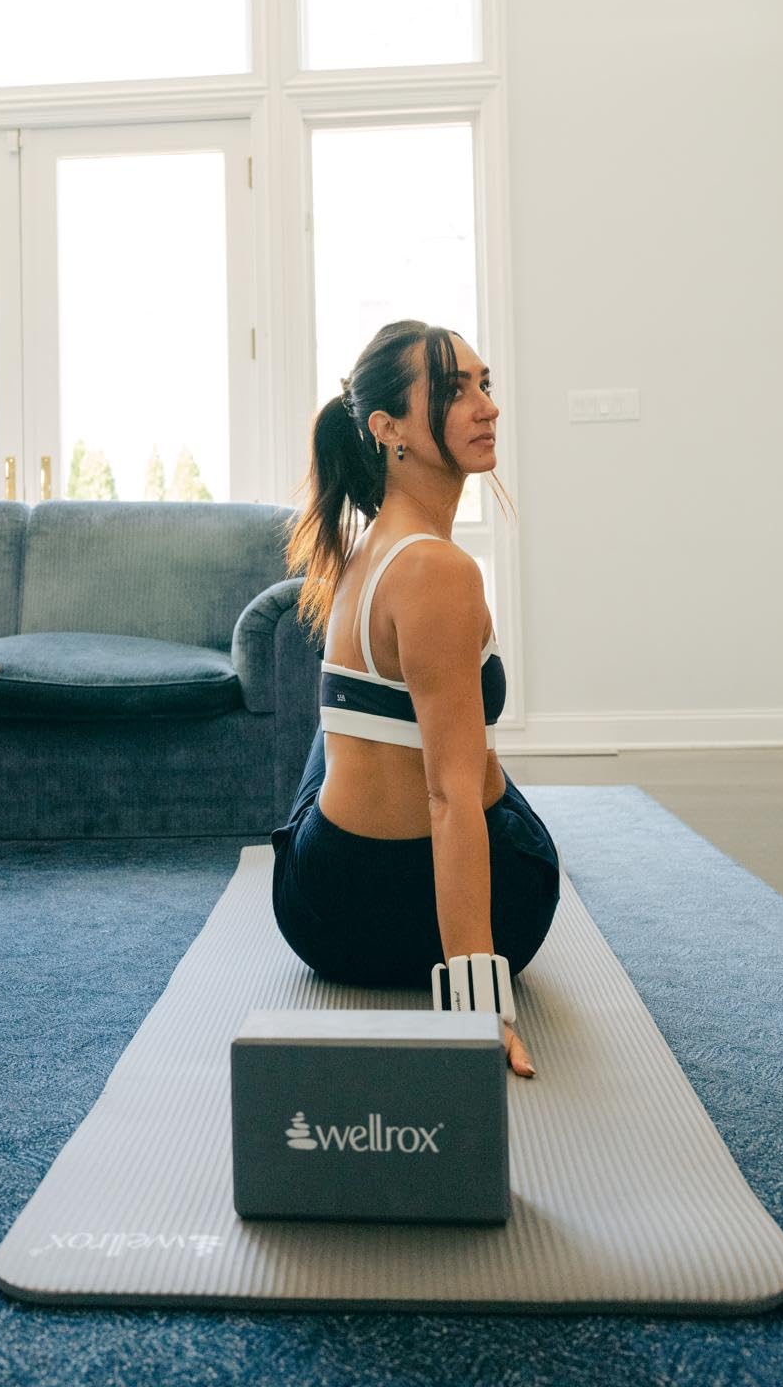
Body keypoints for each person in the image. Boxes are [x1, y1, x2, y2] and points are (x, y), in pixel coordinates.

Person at [270, 320, 560, 1078]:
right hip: (443, 922)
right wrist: (479, 1008)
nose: (486, 406)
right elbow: (449, 798)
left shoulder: (363, 550)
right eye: (454, 391)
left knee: (345, 737)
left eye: (483, 384)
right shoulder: (439, 570)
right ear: (386, 427)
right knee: (469, 765)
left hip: (319, 913)